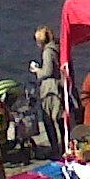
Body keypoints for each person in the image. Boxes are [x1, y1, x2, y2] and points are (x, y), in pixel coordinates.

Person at [29, 27, 64, 158]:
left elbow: (47, 72)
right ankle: (64, 146)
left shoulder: (47, 52)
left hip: (50, 89)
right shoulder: (58, 48)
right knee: (60, 118)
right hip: (59, 86)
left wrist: (36, 70)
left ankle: (55, 149)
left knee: (48, 119)